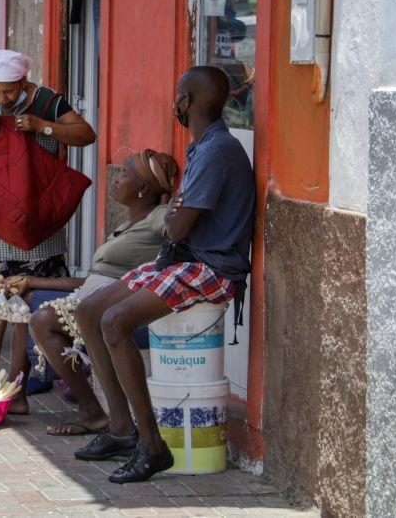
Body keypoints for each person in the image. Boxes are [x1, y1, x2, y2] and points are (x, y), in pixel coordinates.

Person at [73, 65, 255, 484]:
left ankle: (152, 446)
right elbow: (176, 214)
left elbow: (174, 225)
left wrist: (176, 211)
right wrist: (176, 210)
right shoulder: (204, 147)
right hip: (184, 260)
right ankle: (120, 429)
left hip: (212, 266)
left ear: (186, 102)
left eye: (178, 96)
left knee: (115, 322)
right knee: (89, 311)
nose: (175, 103)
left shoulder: (217, 151)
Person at [0, 49, 96, 405]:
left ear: (22, 82)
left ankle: (28, 374)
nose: (0, 99)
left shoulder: (46, 101)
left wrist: (41, 126)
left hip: (38, 216)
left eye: (8, 91)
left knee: (27, 303)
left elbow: (85, 134)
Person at [20, 150, 178, 429]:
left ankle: (91, 410)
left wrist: (180, 212)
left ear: (143, 189)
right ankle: (14, 393)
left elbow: (172, 228)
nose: (116, 178)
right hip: (90, 299)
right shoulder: (125, 226)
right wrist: (32, 281)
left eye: (125, 174)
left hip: (118, 310)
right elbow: (92, 279)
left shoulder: (156, 216)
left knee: (42, 319)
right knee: (24, 302)